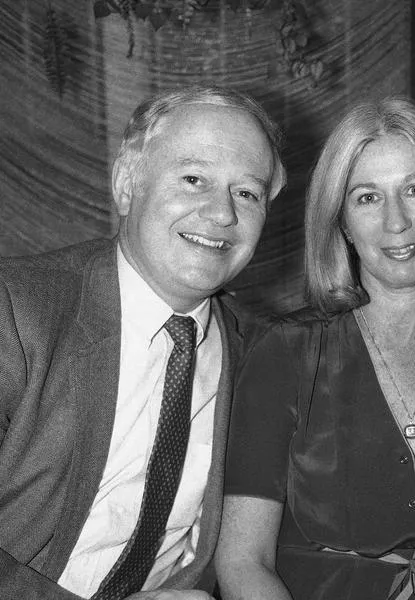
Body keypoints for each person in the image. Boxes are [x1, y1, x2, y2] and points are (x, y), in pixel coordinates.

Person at [215, 97, 415, 600]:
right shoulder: (283, 353)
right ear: (342, 221)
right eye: (367, 197)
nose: (397, 222)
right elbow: (243, 561)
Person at [0, 85, 285, 599]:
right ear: (127, 185)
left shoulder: (261, 354)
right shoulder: (16, 310)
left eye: (247, 192)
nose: (222, 214)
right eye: (194, 178)